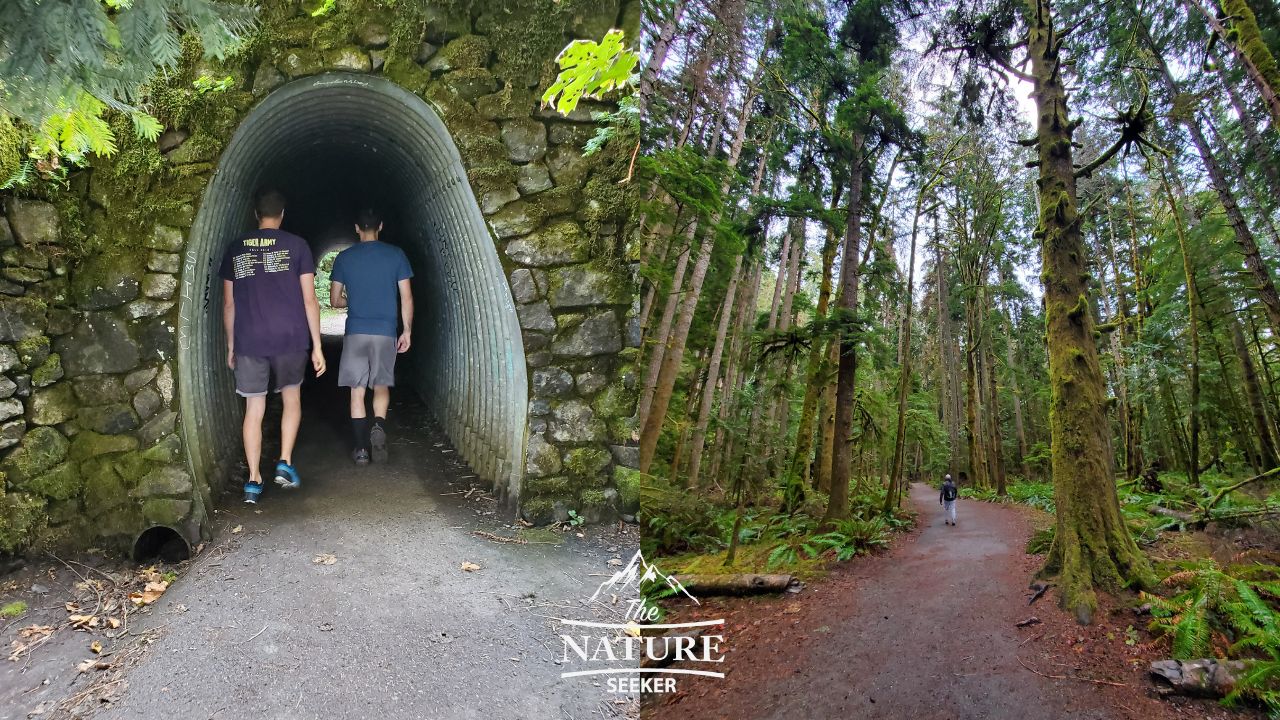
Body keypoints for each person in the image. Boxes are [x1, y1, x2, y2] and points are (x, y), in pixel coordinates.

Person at [220, 188, 325, 503]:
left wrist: (230, 345)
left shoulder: (236, 249)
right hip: (290, 338)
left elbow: (228, 304)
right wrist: (317, 346)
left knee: (254, 408)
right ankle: (284, 462)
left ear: (256, 214)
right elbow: (310, 299)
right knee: (291, 398)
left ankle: (253, 481)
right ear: (282, 214)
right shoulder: (297, 246)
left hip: (249, 339)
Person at [330, 207, 414, 465]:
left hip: (356, 331)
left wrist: (351, 301)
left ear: (356, 228)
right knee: (381, 385)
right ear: (381, 226)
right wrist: (407, 330)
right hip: (385, 332)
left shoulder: (345, 258)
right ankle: (378, 424)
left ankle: (361, 450)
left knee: (356, 391)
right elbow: (406, 296)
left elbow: (334, 300)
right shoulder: (396, 255)